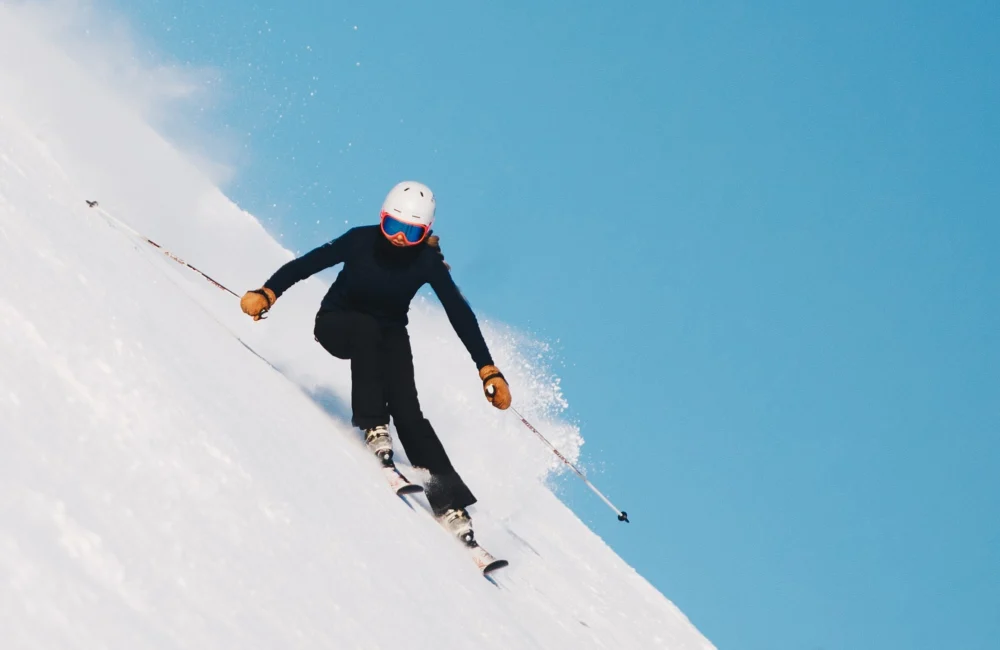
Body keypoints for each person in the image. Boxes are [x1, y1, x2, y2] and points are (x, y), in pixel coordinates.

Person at [239, 181, 511, 541]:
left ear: (425, 232)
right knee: (366, 328)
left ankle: (448, 502)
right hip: (337, 323)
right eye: (393, 226)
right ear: (381, 219)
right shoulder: (360, 240)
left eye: (411, 232)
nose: (399, 238)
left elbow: (458, 312)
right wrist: (268, 291)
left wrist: (487, 368)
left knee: (409, 410)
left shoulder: (426, 262)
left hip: (388, 334)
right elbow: (308, 264)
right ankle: (373, 425)